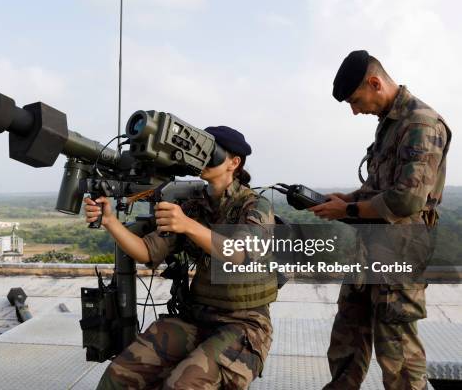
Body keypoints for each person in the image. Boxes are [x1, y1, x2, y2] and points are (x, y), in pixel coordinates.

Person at [84, 126, 278, 389]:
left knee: (184, 384)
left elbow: (240, 253)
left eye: (214, 152)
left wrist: (187, 225)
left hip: (244, 325)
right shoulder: (192, 206)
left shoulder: (255, 206)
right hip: (197, 318)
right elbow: (148, 251)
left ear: (234, 162)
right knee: (119, 374)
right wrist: (110, 222)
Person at [309, 50, 451, 389]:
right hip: (369, 249)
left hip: (400, 254)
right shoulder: (389, 124)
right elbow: (379, 189)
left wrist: (347, 211)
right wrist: (349, 199)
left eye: (356, 101)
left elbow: (407, 198)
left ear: (375, 83)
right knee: (348, 337)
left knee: (396, 350)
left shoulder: (420, 124)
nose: (356, 111)